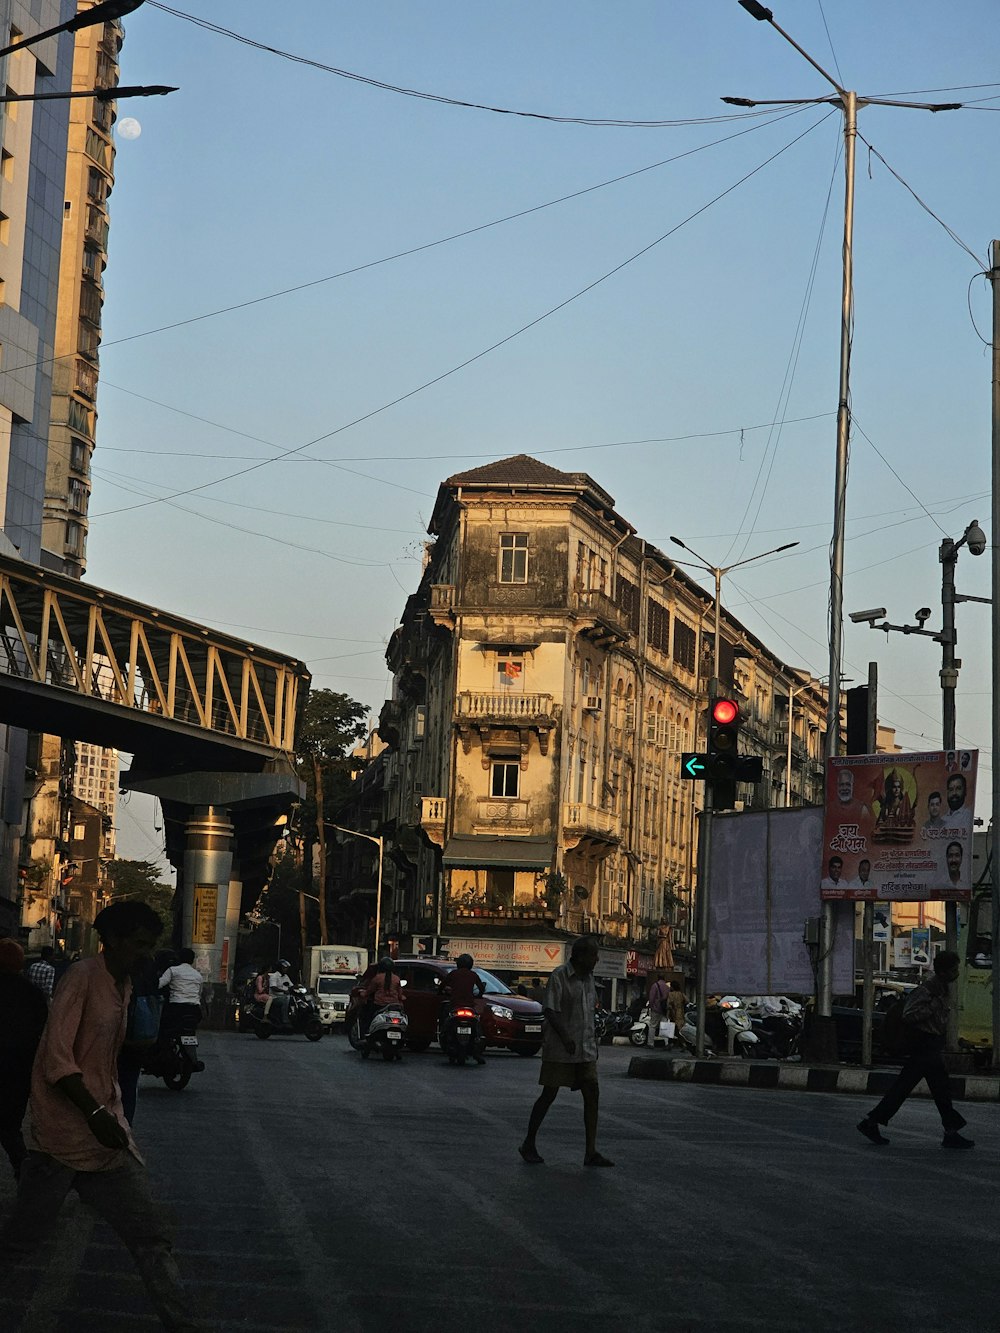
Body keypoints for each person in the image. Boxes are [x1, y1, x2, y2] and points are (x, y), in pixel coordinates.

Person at [0, 900, 199, 1330]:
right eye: (140, 946)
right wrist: (92, 1111)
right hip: (61, 1138)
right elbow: (56, 1059)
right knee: (20, 1243)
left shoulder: (122, 983)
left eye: (151, 947)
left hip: (106, 1138)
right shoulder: (81, 979)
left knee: (151, 1237)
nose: (147, 956)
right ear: (112, 942)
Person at [857, 950, 974, 1150]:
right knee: (933, 1089)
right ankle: (950, 1132)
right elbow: (909, 1014)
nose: (957, 973)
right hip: (923, 1046)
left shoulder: (942, 989)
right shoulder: (927, 990)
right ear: (944, 971)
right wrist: (932, 1007)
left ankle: (872, 1122)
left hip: (931, 1046)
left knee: (923, 1088)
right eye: (953, 969)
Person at [518, 937, 612, 1168]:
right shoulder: (559, 976)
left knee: (592, 1094)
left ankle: (591, 1151)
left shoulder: (590, 980)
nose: (597, 959)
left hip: (586, 1048)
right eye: (593, 955)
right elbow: (550, 1010)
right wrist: (565, 1037)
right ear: (580, 956)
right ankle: (529, 1142)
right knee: (549, 1094)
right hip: (561, 1049)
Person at [0, 938, 49, 1178]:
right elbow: (43, 1029)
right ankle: (23, 1166)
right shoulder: (33, 994)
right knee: (10, 1124)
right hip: (20, 1069)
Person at [441, 954, 487, 1064]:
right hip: (469, 1006)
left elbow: (442, 985)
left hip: (455, 1006)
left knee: (445, 1022)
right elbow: (481, 988)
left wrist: (441, 992)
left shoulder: (453, 974)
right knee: (477, 1026)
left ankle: (444, 1036)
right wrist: (479, 995)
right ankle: (476, 1053)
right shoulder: (473, 975)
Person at [159, 948, 205, 1034]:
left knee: (164, 1028)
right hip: (194, 1010)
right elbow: (199, 993)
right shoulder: (198, 975)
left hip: (176, 1007)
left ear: (179, 958)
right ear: (192, 960)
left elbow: (159, 984)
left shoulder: (172, 970)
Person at [265, 959, 294, 1024]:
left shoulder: (286, 976)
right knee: (286, 1000)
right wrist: (283, 991)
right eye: (284, 968)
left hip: (285, 996)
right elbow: (273, 987)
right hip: (275, 997)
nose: (286, 969)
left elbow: (291, 985)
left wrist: (298, 987)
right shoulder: (274, 976)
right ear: (280, 968)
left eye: (286, 968)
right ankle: (285, 1019)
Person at [646, 971, 670, 1046]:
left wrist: (651, 1006)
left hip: (656, 1009)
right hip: (664, 1010)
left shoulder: (655, 985)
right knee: (664, 1027)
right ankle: (666, 1043)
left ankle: (650, 1043)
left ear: (658, 977)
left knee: (652, 1026)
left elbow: (651, 998)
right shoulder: (667, 987)